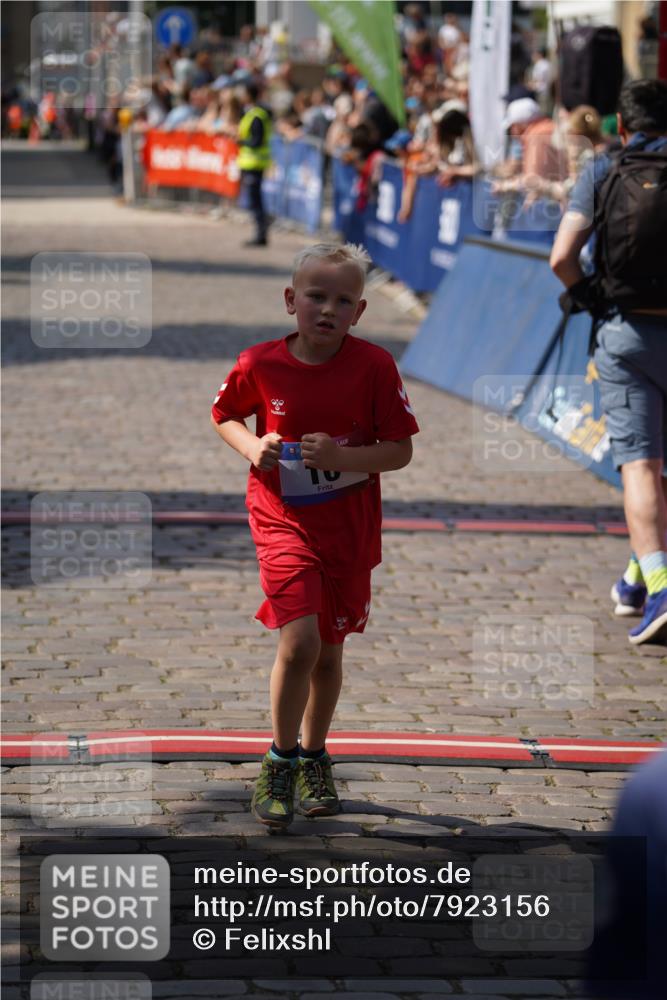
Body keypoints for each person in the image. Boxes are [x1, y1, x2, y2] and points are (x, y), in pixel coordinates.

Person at [210, 243, 419, 830]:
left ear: (360, 311)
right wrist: (255, 448)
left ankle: (314, 754)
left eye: (342, 300)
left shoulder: (375, 367)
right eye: (316, 296)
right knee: (299, 643)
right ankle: (279, 759)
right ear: (290, 300)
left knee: (329, 653)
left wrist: (347, 454)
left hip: (348, 531)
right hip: (281, 520)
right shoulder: (259, 363)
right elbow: (224, 414)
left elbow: (400, 450)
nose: (327, 309)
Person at [550, 79, 667, 644]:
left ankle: (659, 586)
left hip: (626, 334)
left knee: (641, 467)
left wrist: (592, 297)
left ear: (621, 126)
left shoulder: (603, 169)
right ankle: (636, 579)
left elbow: (561, 257)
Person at [236, 79, 272, 247]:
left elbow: (256, 141)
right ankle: (260, 232)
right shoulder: (251, 113)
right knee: (254, 200)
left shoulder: (256, 115)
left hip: (254, 164)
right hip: (250, 164)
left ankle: (261, 234)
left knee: (255, 201)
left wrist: (240, 142)